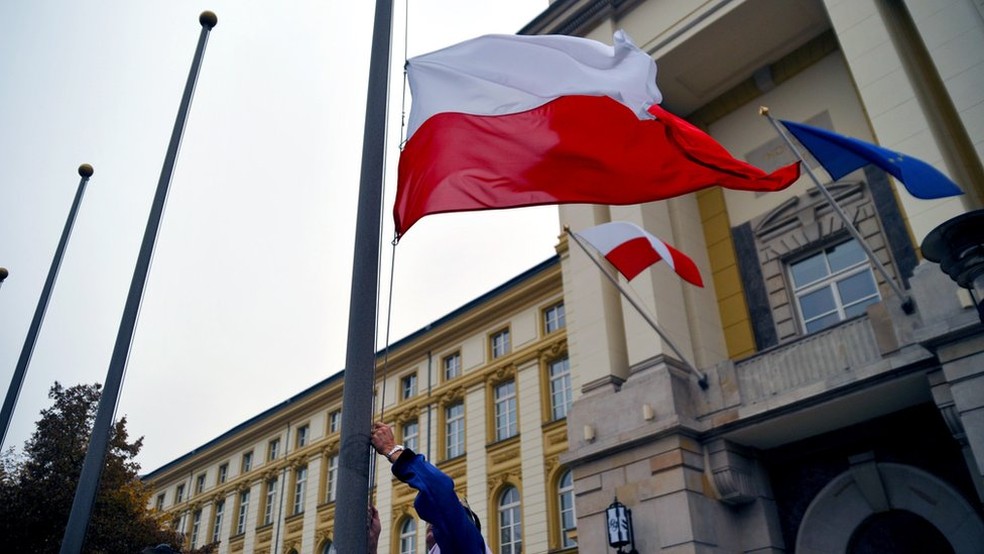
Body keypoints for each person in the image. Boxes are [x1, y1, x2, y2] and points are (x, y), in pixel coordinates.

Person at [370, 421, 492, 553]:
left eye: (454, 509)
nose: (432, 522)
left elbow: (440, 490)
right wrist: (371, 546)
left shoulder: (466, 545)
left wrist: (392, 449)